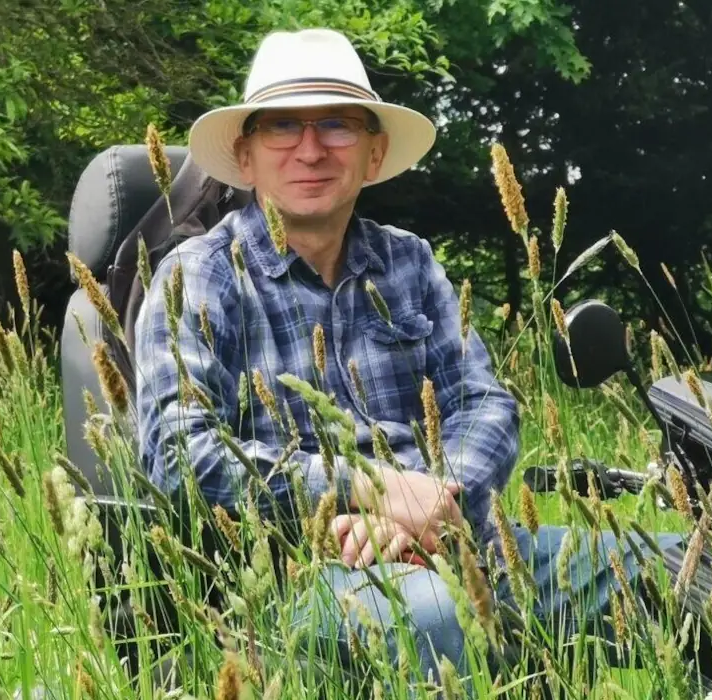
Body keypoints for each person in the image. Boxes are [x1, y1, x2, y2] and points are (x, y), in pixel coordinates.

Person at [133, 27, 680, 691]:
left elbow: (484, 403)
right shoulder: (200, 278)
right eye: (282, 127)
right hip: (293, 577)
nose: (310, 149)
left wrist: (437, 506)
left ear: (373, 152)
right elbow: (178, 451)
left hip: (459, 540)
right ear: (245, 157)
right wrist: (369, 488)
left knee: (687, 567)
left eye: (335, 124)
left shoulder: (407, 262)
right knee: (437, 619)